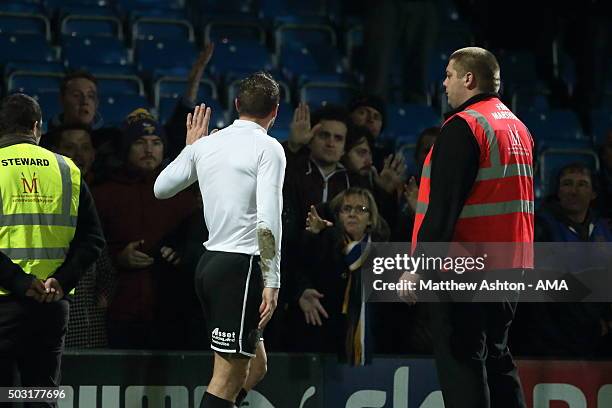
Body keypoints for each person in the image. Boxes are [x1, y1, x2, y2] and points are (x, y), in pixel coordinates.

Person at [406, 47, 534, 408]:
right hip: (511, 266)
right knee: (497, 356)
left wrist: (419, 267)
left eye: (448, 75)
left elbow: (444, 207)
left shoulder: (465, 126)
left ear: (469, 79)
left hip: (467, 267)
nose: (444, 84)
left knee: (462, 360)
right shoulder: (518, 128)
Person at [154, 72, 285, 408]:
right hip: (240, 267)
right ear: (275, 112)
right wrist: (272, 279)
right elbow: (268, 219)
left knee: (256, 366)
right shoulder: (270, 148)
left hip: (209, 266)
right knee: (225, 379)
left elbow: (161, 188)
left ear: (237, 104)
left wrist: (190, 149)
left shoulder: (207, 145)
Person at [0, 94, 105, 403]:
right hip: (50, 305)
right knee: (41, 396)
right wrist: (62, 280)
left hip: (3, 305)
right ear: (37, 127)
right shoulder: (67, 170)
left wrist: (19, 281)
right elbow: (93, 238)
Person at [93, 108, 196, 349]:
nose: (149, 149)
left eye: (156, 142)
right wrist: (118, 259)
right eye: (140, 142)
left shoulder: (182, 195)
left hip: (170, 309)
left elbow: (197, 243)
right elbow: (91, 248)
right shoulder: (103, 194)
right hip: (117, 306)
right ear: (126, 148)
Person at [296, 187, 388, 363]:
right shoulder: (323, 241)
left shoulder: (383, 251)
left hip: (374, 346)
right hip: (324, 338)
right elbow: (299, 268)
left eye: (361, 209)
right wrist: (302, 290)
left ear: (370, 219)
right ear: (338, 216)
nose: (353, 214)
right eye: (346, 209)